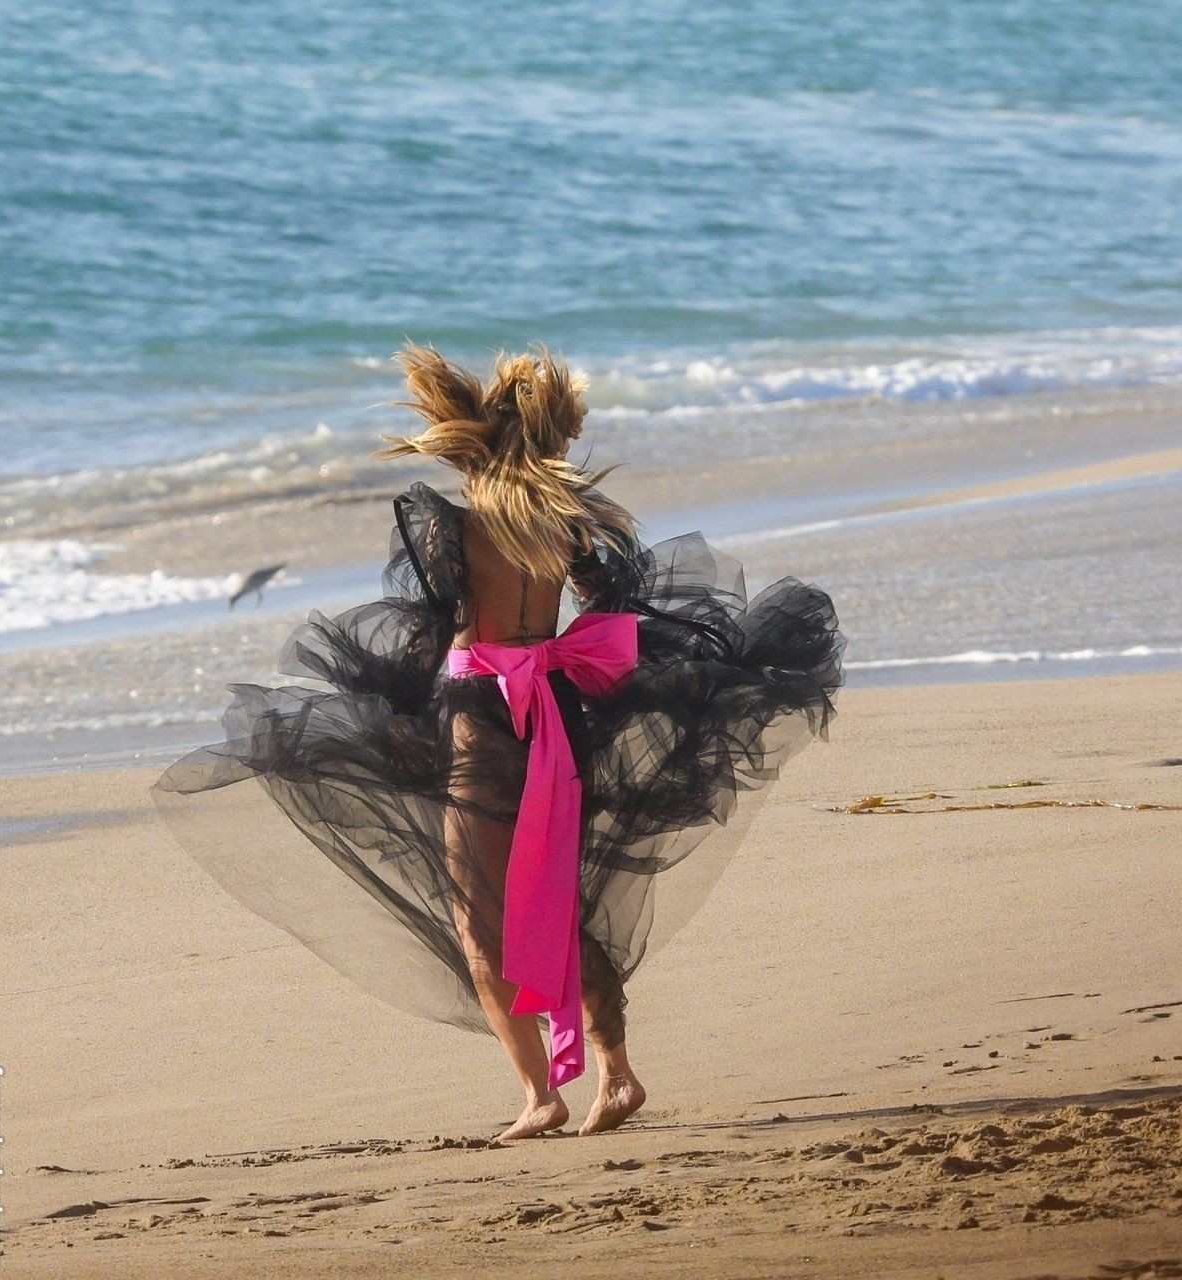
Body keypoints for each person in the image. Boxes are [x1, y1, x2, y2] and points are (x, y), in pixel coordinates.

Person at [154, 345, 845, 1142]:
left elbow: (432, 625)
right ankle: (616, 1073)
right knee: (555, 903)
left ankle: (540, 1095)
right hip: (556, 710)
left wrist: (399, 707)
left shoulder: (454, 527)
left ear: (473, 442)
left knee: (478, 924)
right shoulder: (563, 524)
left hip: (483, 721)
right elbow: (610, 600)